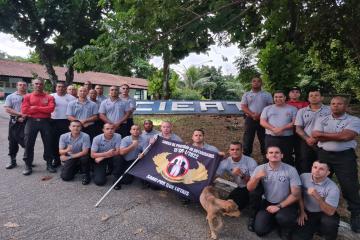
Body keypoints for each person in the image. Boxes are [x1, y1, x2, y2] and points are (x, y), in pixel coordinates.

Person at [312, 96, 360, 233]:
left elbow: (347, 136)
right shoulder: (322, 119)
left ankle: (356, 214)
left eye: (339, 104)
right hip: (324, 155)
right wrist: (337, 135)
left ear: (345, 106)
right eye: (333, 104)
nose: (335, 106)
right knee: (318, 181)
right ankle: (316, 211)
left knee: (349, 186)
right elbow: (315, 135)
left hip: (344, 157)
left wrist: (324, 135)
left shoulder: (353, 120)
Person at [247, 146, 301, 238]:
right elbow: (250, 188)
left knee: (283, 218)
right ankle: (274, 220)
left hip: (286, 203)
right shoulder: (260, 168)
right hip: (268, 202)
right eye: (271, 153)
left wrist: (278, 206)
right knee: (260, 231)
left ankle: (284, 228)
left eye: (277, 152)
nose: (274, 154)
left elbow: (296, 195)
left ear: (282, 155)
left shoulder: (291, 170)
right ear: (267, 156)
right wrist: (256, 177)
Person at [292, 160, 340, 240]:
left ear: (328, 173)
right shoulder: (303, 177)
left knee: (330, 223)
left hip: (324, 213)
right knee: (297, 237)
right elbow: (299, 195)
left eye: (321, 169)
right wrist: (302, 211)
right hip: (307, 212)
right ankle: (315, 228)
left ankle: (327, 235)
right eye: (315, 167)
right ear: (311, 168)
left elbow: (330, 211)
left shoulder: (333, 188)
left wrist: (317, 196)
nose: (317, 171)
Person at [216, 141, 258, 229]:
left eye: (237, 149)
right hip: (241, 187)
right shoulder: (226, 162)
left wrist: (241, 174)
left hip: (254, 187)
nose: (235, 151)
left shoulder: (250, 161)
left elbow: (254, 182)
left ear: (242, 150)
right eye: (232, 149)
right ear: (229, 151)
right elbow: (216, 175)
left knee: (250, 197)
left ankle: (254, 215)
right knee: (227, 206)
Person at [21, 78, 56, 175]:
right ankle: (28, 165)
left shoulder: (49, 97)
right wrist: (42, 109)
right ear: (32, 85)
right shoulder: (27, 96)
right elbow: (25, 110)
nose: (38, 85)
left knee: (48, 143)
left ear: (43, 85)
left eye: (40, 84)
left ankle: (49, 164)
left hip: (46, 122)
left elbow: (51, 109)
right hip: (31, 122)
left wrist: (35, 108)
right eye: (36, 84)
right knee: (28, 143)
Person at [295, 89, 331, 173]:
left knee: (322, 165)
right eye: (311, 96)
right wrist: (307, 139)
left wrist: (319, 138)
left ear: (322, 98)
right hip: (306, 142)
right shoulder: (302, 111)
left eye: (316, 95)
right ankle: (306, 184)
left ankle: (322, 184)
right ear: (308, 99)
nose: (314, 97)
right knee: (305, 164)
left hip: (324, 142)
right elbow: (298, 128)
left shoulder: (330, 110)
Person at [260, 90, 297, 165]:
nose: (278, 99)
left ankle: (287, 174)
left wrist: (281, 128)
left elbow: (294, 122)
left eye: (280, 97)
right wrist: (273, 129)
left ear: (285, 97)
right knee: (269, 157)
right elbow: (262, 122)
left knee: (286, 157)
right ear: (273, 98)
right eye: (276, 97)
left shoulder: (293, 109)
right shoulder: (267, 108)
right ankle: (268, 174)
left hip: (287, 138)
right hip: (271, 137)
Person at [241, 77, 273, 159]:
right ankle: (246, 156)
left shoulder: (267, 94)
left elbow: (270, 107)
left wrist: (260, 115)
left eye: (258, 81)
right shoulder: (246, 94)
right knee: (248, 138)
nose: (256, 83)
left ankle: (266, 156)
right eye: (254, 81)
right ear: (251, 83)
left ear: (261, 83)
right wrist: (252, 115)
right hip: (250, 119)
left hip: (263, 120)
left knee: (264, 138)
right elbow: (243, 106)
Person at [51, 82, 76, 167]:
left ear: (65, 88)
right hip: (53, 121)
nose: (60, 88)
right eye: (59, 86)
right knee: (54, 141)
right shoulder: (51, 96)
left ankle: (65, 158)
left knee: (66, 141)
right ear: (56, 87)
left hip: (66, 122)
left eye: (62, 87)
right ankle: (56, 159)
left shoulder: (72, 98)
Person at [3, 81, 27, 169]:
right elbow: (7, 109)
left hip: (27, 122)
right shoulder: (11, 96)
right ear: (17, 86)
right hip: (14, 122)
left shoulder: (30, 96)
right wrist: (19, 115)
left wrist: (25, 117)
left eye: (24, 85)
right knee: (12, 141)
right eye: (20, 85)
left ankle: (28, 160)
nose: (22, 86)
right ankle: (12, 161)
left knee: (27, 142)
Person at [59, 120, 91, 185]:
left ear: (81, 127)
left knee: (85, 158)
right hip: (71, 156)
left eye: (78, 126)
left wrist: (68, 157)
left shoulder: (85, 136)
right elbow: (60, 151)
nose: (76, 128)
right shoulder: (63, 136)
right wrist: (66, 150)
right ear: (69, 127)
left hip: (81, 155)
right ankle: (76, 168)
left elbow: (85, 152)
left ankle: (86, 174)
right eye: (73, 126)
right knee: (65, 177)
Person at [91, 123, 122, 187]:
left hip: (110, 157)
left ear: (114, 129)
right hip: (100, 159)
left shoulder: (118, 136)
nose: (110, 130)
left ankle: (116, 177)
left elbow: (117, 152)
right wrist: (105, 154)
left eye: (112, 129)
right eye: (107, 129)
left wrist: (103, 156)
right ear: (103, 130)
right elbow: (92, 155)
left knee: (118, 157)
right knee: (99, 182)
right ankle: (98, 171)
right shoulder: (96, 139)